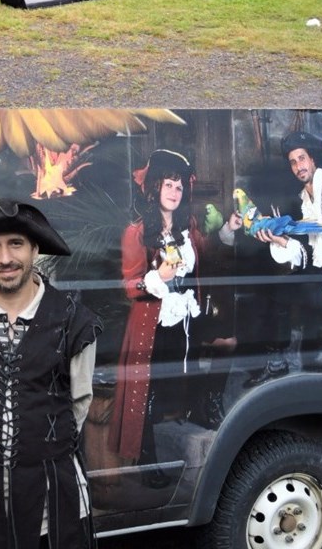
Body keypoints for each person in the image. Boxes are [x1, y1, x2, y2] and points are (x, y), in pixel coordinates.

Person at [0, 200, 101, 549]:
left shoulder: (74, 321)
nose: (4, 258)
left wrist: (36, 443)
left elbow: (79, 403)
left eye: (15, 243)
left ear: (34, 248)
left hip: (50, 496)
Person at [109, 150, 237, 468]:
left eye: (179, 187)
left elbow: (208, 257)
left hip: (187, 316)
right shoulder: (136, 232)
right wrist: (157, 277)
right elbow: (130, 286)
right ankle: (147, 457)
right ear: (155, 188)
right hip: (153, 321)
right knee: (150, 390)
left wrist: (229, 229)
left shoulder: (187, 228)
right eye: (168, 185)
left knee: (207, 358)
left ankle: (200, 410)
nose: (174, 192)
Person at [250, 131, 322, 385]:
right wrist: (278, 240)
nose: (298, 166)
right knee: (278, 293)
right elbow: (306, 250)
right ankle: (281, 364)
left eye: (301, 159)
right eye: (293, 162)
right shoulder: (303, 198)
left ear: (312, 159)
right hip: (320, 269)